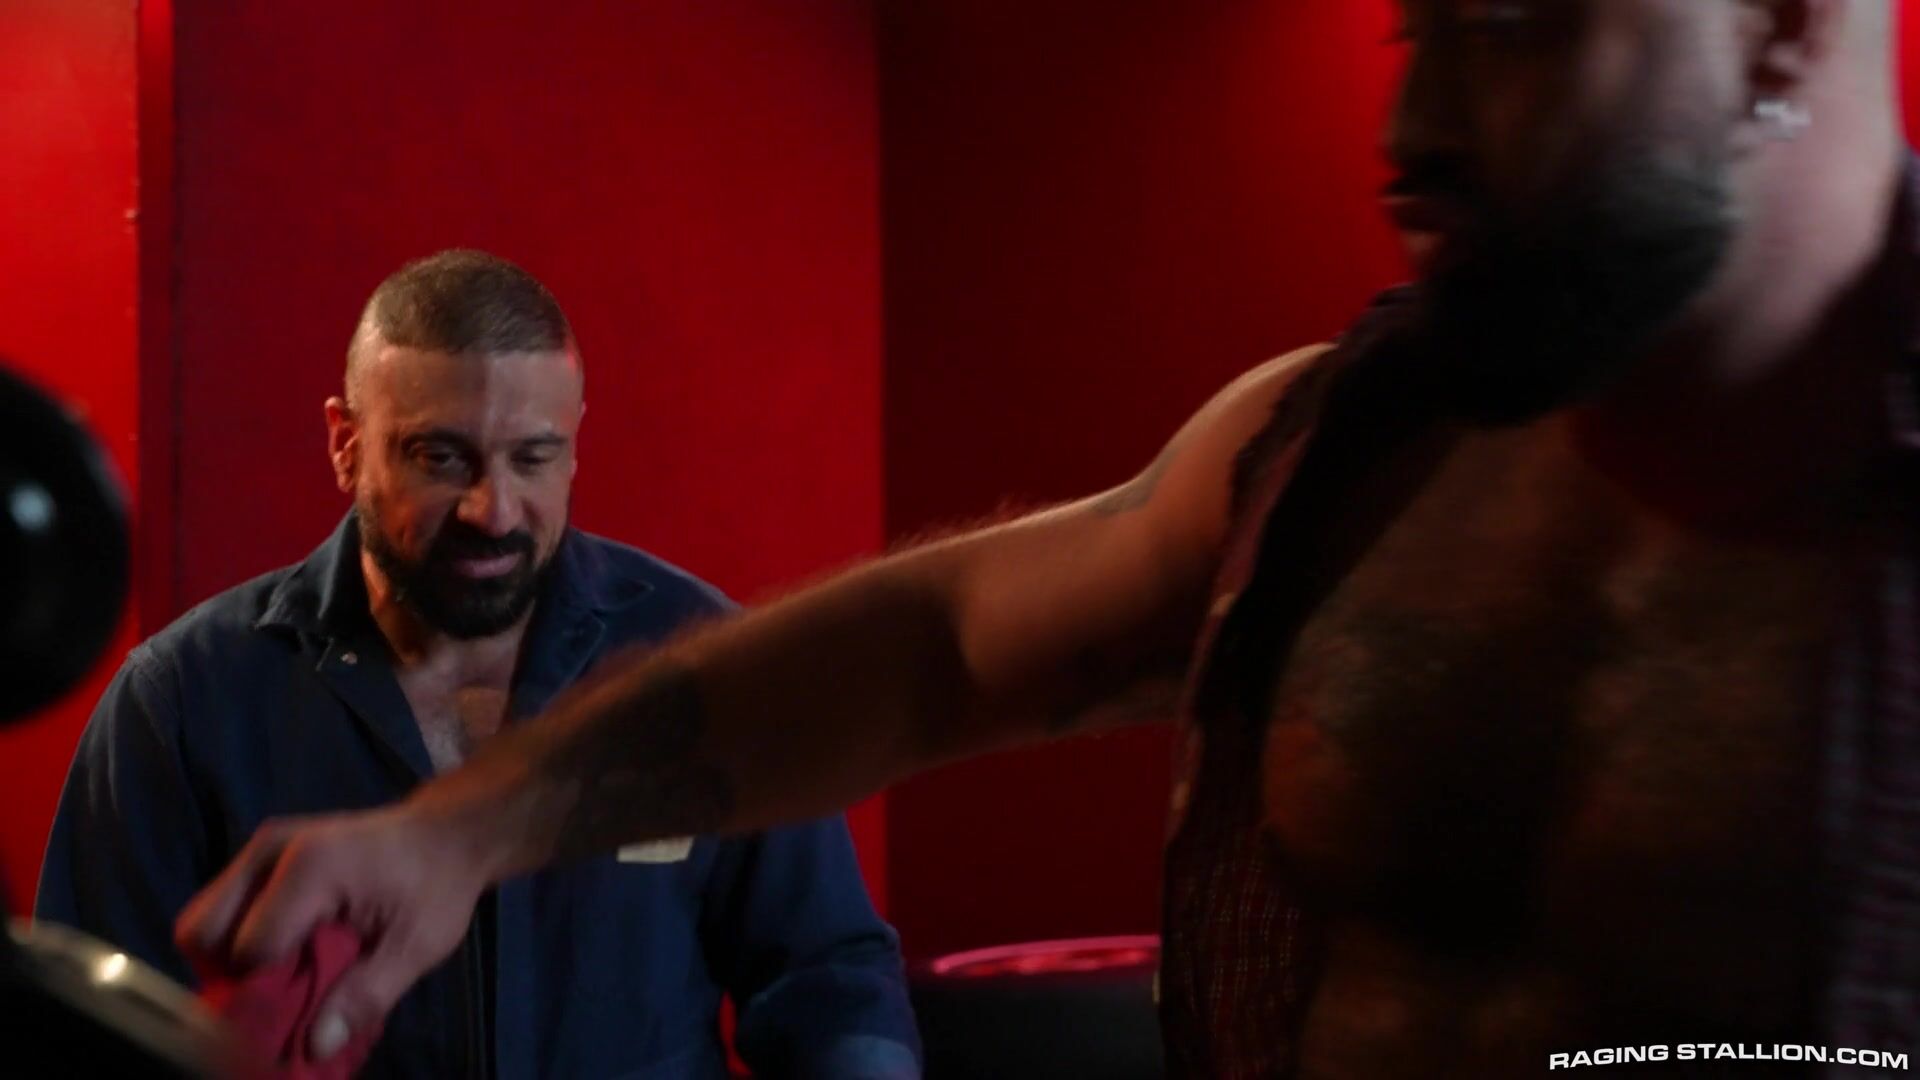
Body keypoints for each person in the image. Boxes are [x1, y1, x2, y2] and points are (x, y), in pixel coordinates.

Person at [178, 2, 1918, 1076]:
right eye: (1416, 30)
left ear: (1779, 25)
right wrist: (456, 838)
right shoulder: (1350, 451)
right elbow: (939, 647)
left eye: (1515, 24)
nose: (1411, 136)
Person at [38, 250, 921, 1078]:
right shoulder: (182, 703)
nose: (492, 510)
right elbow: (83, 1040)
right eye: (440, 457)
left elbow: (828, 974)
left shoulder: (700, 663)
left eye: (532, 458)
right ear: (346, 443)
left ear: (574, 443)